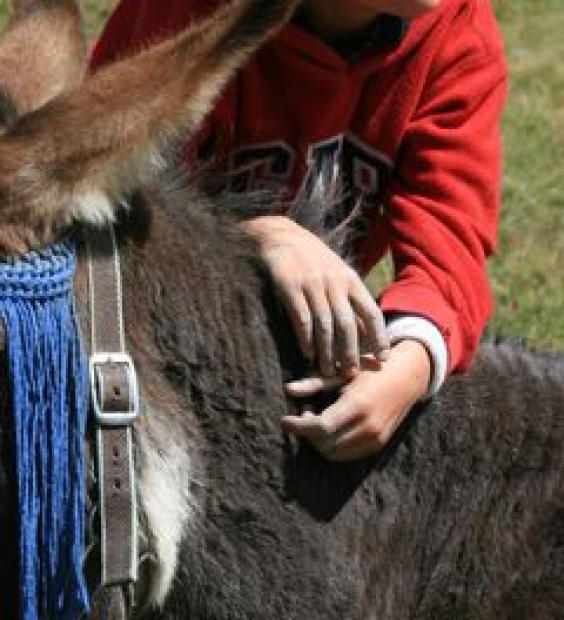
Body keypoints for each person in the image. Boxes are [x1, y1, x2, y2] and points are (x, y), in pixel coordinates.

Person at [91, 0, 508, 461]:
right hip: (146, 334)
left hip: (290, 351)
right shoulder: (185, 12)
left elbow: (451, 238)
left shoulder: (458, 27)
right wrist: (260, 236)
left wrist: (410, 362)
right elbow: (107, 200)